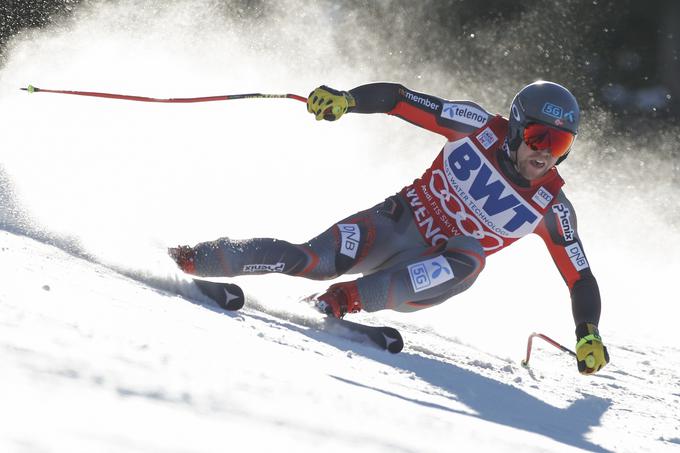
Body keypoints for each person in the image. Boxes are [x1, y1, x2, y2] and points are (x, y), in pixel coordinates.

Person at [169, 81, 609, 375]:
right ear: (515, 128)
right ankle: (189, 258)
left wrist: (587, 333)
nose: (546, 154)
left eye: (560, 144)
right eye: (539, 137)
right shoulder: (476, 127)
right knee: (313, 260)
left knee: (470, 255)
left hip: (431, 272)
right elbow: (400, 99)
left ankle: (339, 302)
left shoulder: (551, 206)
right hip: (395, 223)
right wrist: (347, 100)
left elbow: (580, 276)